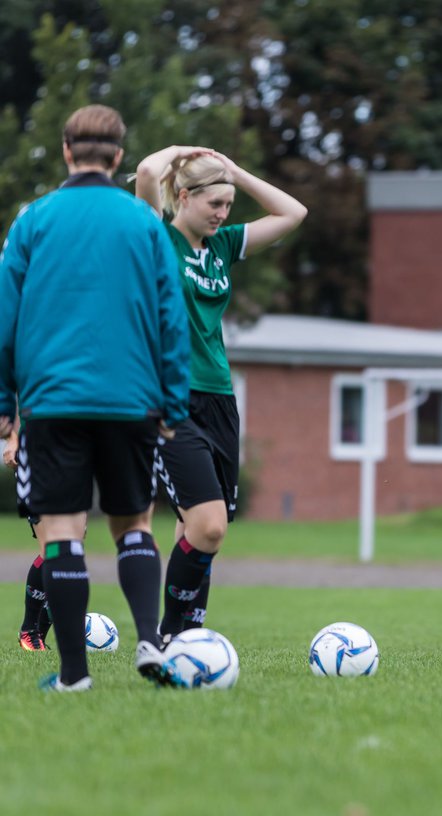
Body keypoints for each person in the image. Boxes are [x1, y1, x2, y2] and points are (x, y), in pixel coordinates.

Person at [0, 104, 191, 692]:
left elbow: (6, 318)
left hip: (52, 402)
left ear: (65, 152)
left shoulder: (34, 220)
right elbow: (170, 316)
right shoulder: (142, 224)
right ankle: (148, 642)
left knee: (61, 531)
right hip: (132, 400)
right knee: (133, 524)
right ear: (116, 158)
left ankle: (75, 676)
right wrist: (174, 403)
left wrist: (5, 406)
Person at [133, 145, 306, 643]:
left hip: (221, 400)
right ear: (183, 197)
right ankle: (167, 634)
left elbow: (293, 213)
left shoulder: (225, 245)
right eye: (214, 204)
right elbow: (147, 171)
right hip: (170, 400)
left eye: (228, 206)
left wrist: (235, 174)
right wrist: (185, 152)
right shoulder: (156, 238)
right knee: (208, 528)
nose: (223, 214)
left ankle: (188, 636)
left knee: (199, 528)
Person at [4, 423, 50, 651]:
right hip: (35, 452)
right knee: (52, 549)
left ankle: (40, 633)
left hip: (72, 450)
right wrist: (13, 438)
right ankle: (29, 630)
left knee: (71, 549)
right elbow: (18, 391)